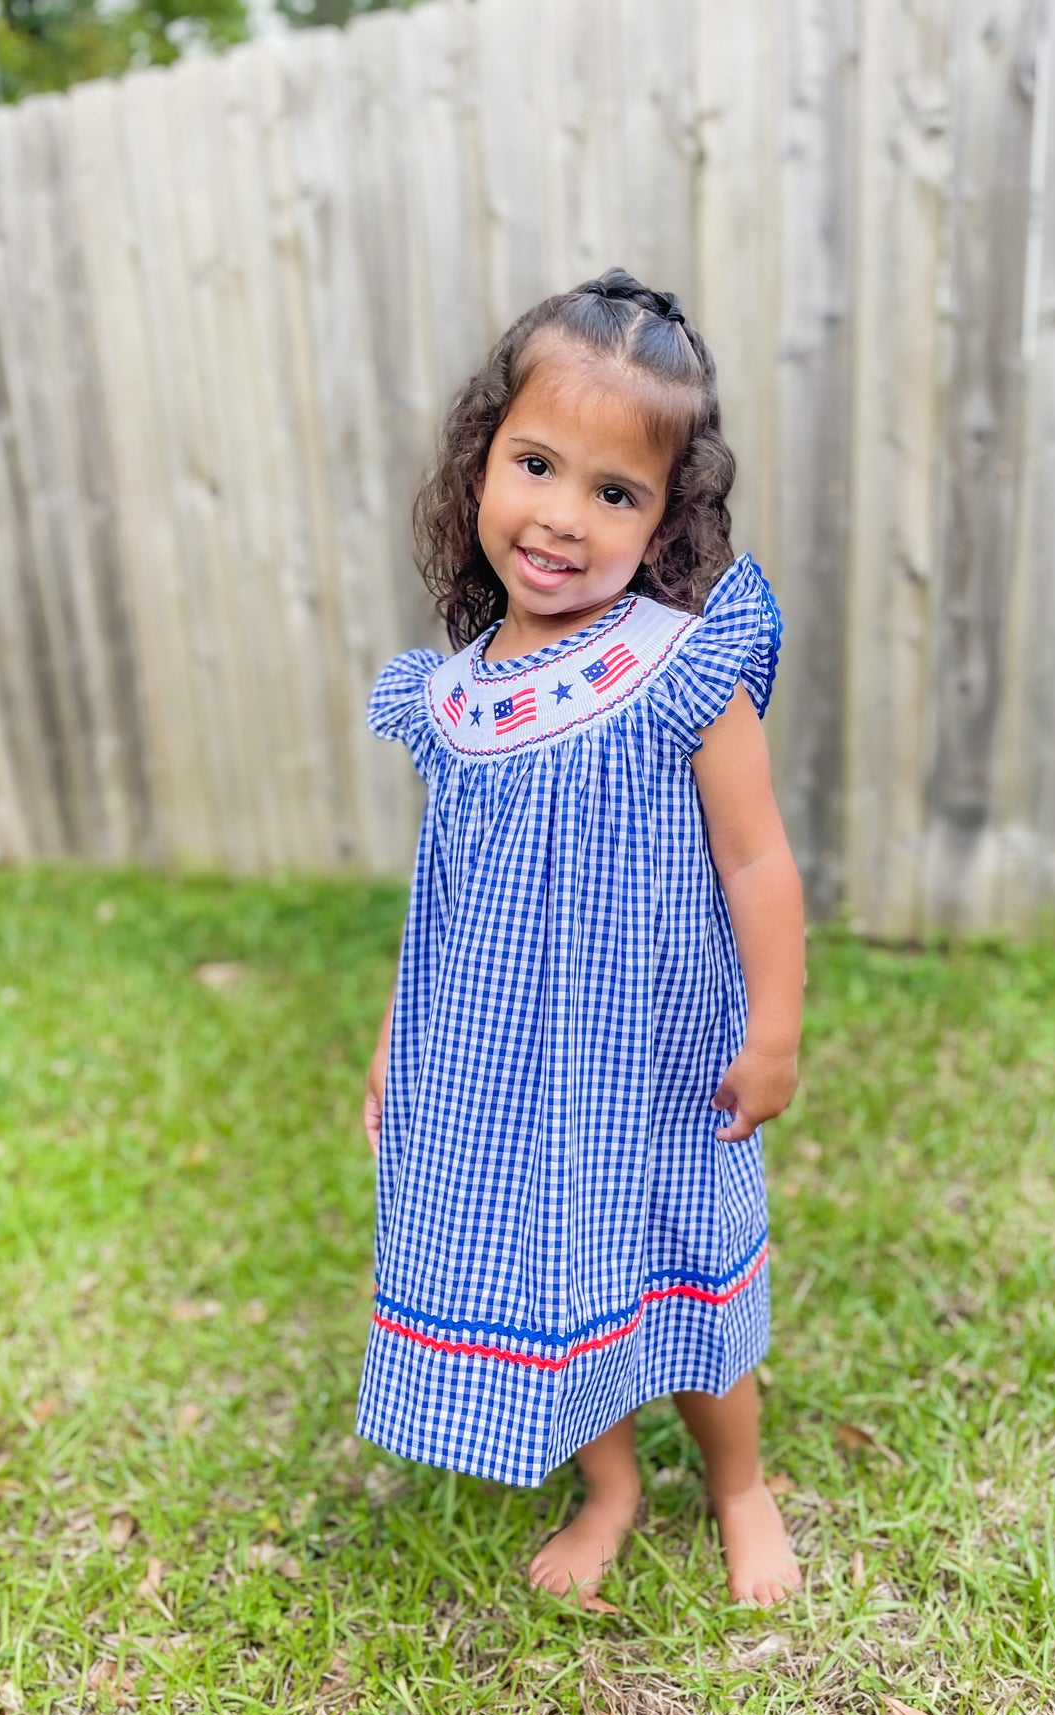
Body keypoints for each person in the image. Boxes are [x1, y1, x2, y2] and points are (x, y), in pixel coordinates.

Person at [359, 269, 805, 1607]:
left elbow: (755, 854)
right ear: (478, 462)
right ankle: (608, 1484)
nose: (562, 515)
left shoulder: (682, 663)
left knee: (675, 1260)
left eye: (614, 491)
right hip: (498, 1067)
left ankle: (738, 1484)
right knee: (562, 1270)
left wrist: (773, 1029)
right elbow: (439, 890)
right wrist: (397, 1040)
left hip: (652, 1051)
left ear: (666, 514)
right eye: (535, 465)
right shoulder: (453, 698)